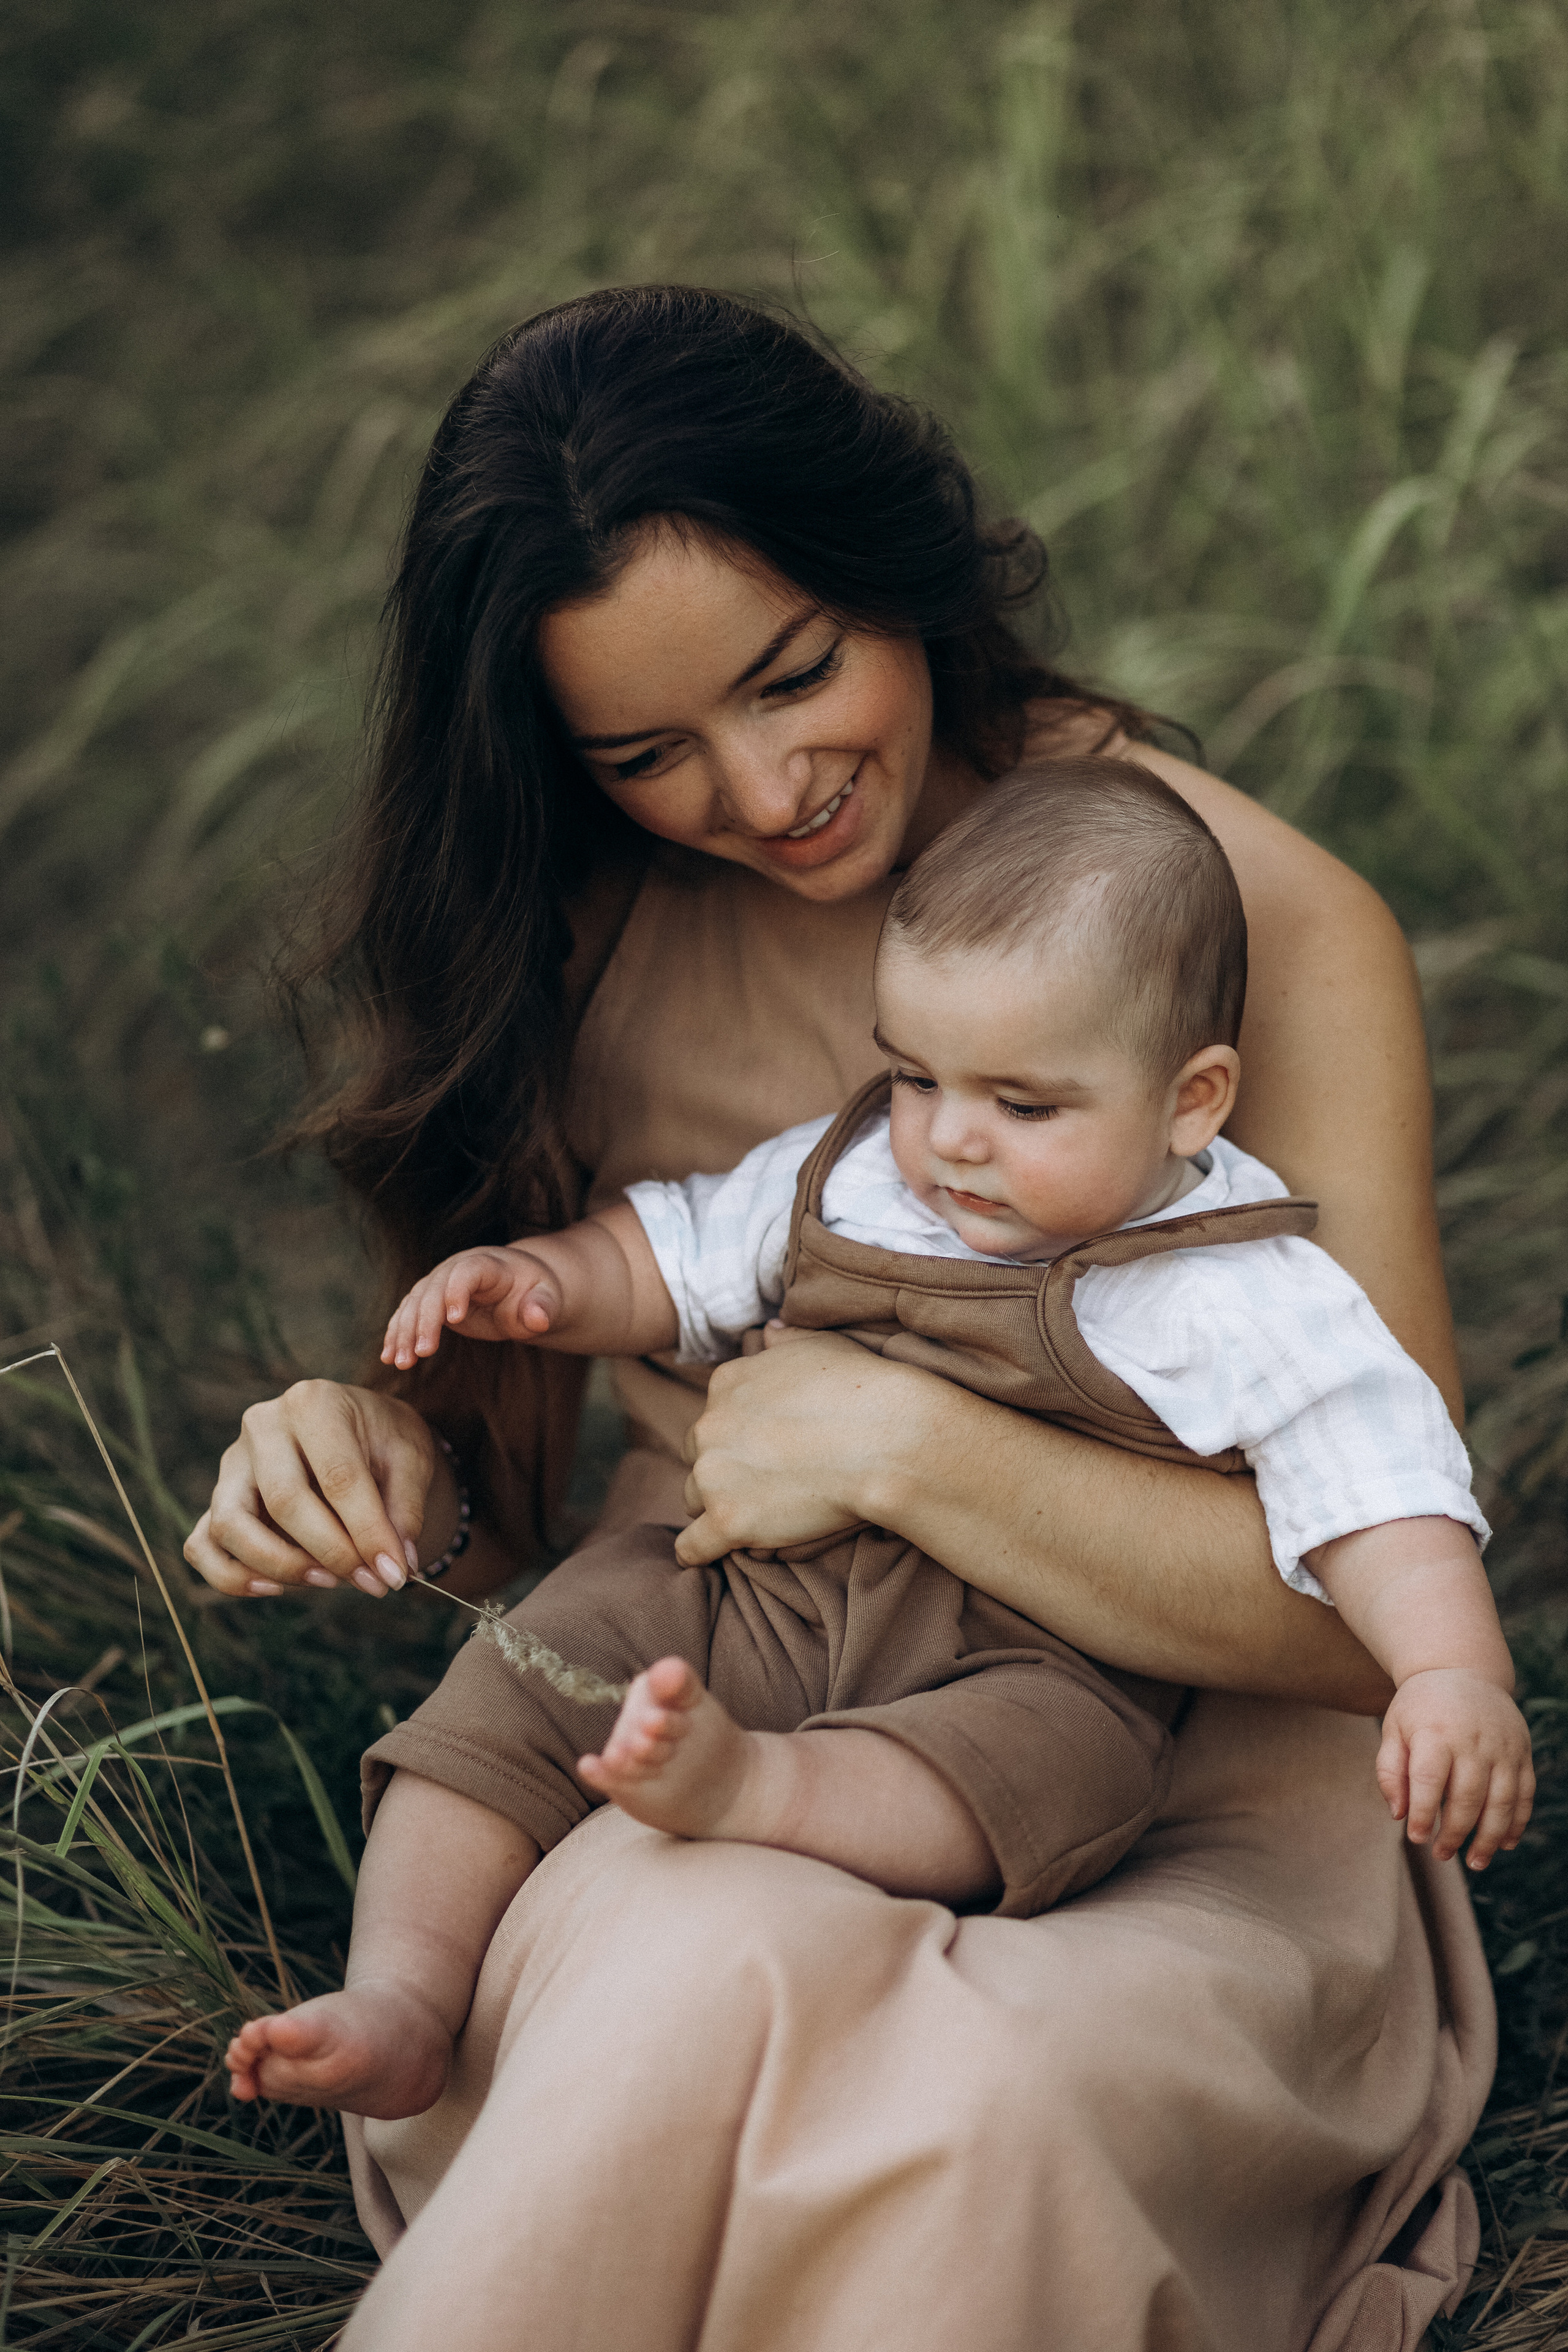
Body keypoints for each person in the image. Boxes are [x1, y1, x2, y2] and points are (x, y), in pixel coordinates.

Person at [187, 286, 1494, 2351]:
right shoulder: (576, 943)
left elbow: (1366, 1604)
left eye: (796, 675)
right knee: (688, 1980)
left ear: (897, 576)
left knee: (985, 2113)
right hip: (732, 1710)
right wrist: (391, 1476)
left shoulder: (1249, 921)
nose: (765, 785)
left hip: (1166, 1788)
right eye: (646, 753)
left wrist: (912, 1449)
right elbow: (558, 1596)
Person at [224, 759, 1525, 2127]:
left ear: (1189, 1102)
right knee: (515, 1686)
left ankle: (760, 1792)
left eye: (1023, 1107)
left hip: (1025, 1651)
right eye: (912, 1075)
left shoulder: (1237, 1290)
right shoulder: (856, 1174)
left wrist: (1450, 1674)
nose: (951, 1141)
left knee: (1037, 1772)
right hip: (743, 1585)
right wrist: (542, 1283)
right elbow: (680, 1248)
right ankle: (403, 1995)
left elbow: (1379, 1487)